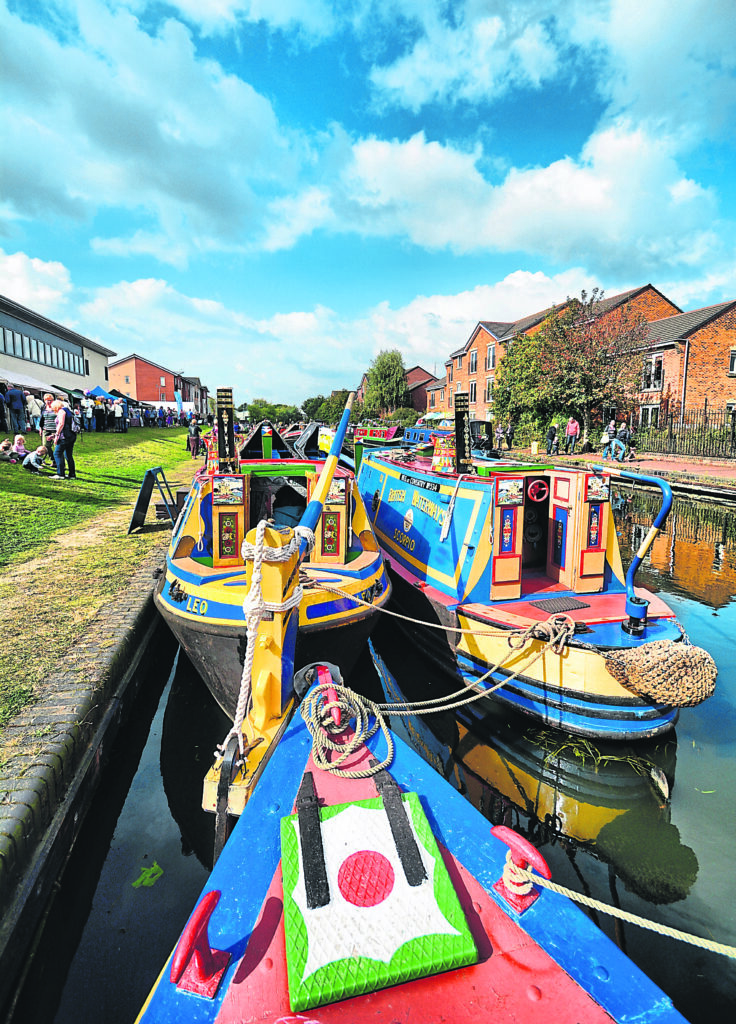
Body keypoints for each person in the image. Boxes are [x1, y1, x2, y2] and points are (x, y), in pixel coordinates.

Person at [51, 399, 77, 480]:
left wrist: (57, 435)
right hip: (72, 435)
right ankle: (72, 474)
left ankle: (60, 474)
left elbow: (61, 423)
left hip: (64, 436)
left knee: (57, 454)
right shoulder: (68, 410)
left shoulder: (61, 411)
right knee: (68, 455)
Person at [39, 394, 57, 460]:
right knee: (46, 445)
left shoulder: (56, 407)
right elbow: (42, 418)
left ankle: (59, 462)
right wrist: (40, 428)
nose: (48, 402)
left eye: (50, 400)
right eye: (47, 400)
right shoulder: (43, 407)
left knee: (57, 446)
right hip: (46, 429)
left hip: (55, 429)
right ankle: (52, 459)